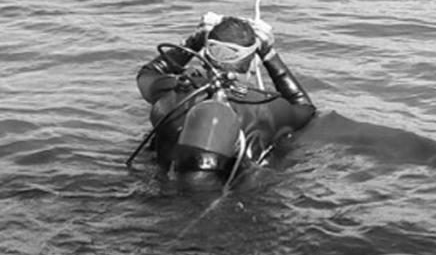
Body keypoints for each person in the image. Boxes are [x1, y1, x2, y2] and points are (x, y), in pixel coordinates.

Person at [135, 13, 316, 182]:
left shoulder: (172, 90)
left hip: (163, 189)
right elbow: (305, 108)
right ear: (252, 64)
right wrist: (269, 54)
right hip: (234, 196)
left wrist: (194, 41)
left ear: (205, 55)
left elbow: (148, 73)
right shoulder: (269, 108)